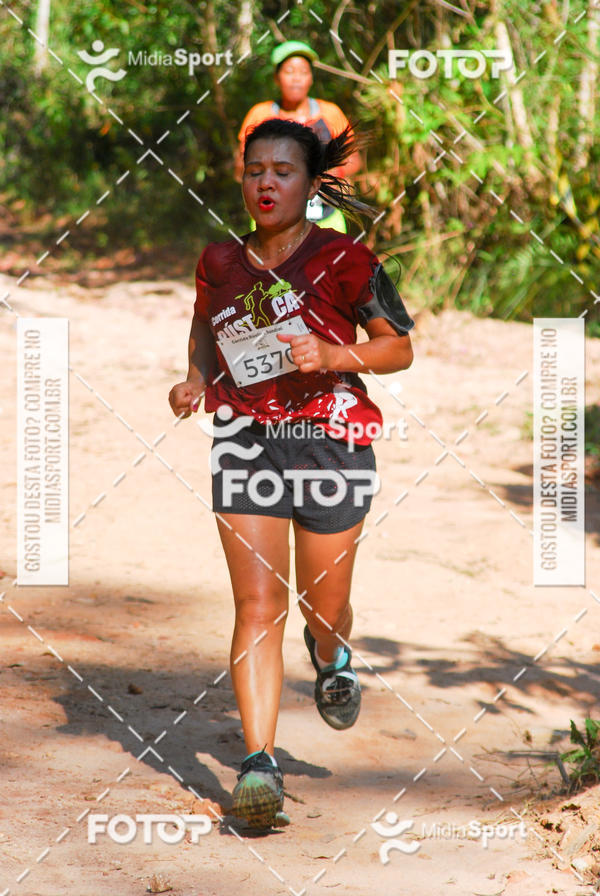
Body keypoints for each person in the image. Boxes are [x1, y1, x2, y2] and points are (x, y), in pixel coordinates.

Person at [169, 118, 414, 830]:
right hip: (246, 440)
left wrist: (334, 356)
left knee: (322, 607)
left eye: (282, 171)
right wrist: (195, 379)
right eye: (255, 171)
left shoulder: (346, 259)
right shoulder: (220, 260)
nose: (266, 183)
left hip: (331, 443)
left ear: (310, 185)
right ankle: (259, 766)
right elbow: (206, 327)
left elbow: (398, 348)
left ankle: (331, 652)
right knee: (256, 605)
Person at [234, 40, 360, 233]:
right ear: (277, 78)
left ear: (311, 78)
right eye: (289, 71)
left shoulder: (330, 113)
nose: (296, 78)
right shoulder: (260, 115)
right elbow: (241, 168)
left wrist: (332, 173)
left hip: (326, 218)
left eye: (303, 72)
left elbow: (354, 160)